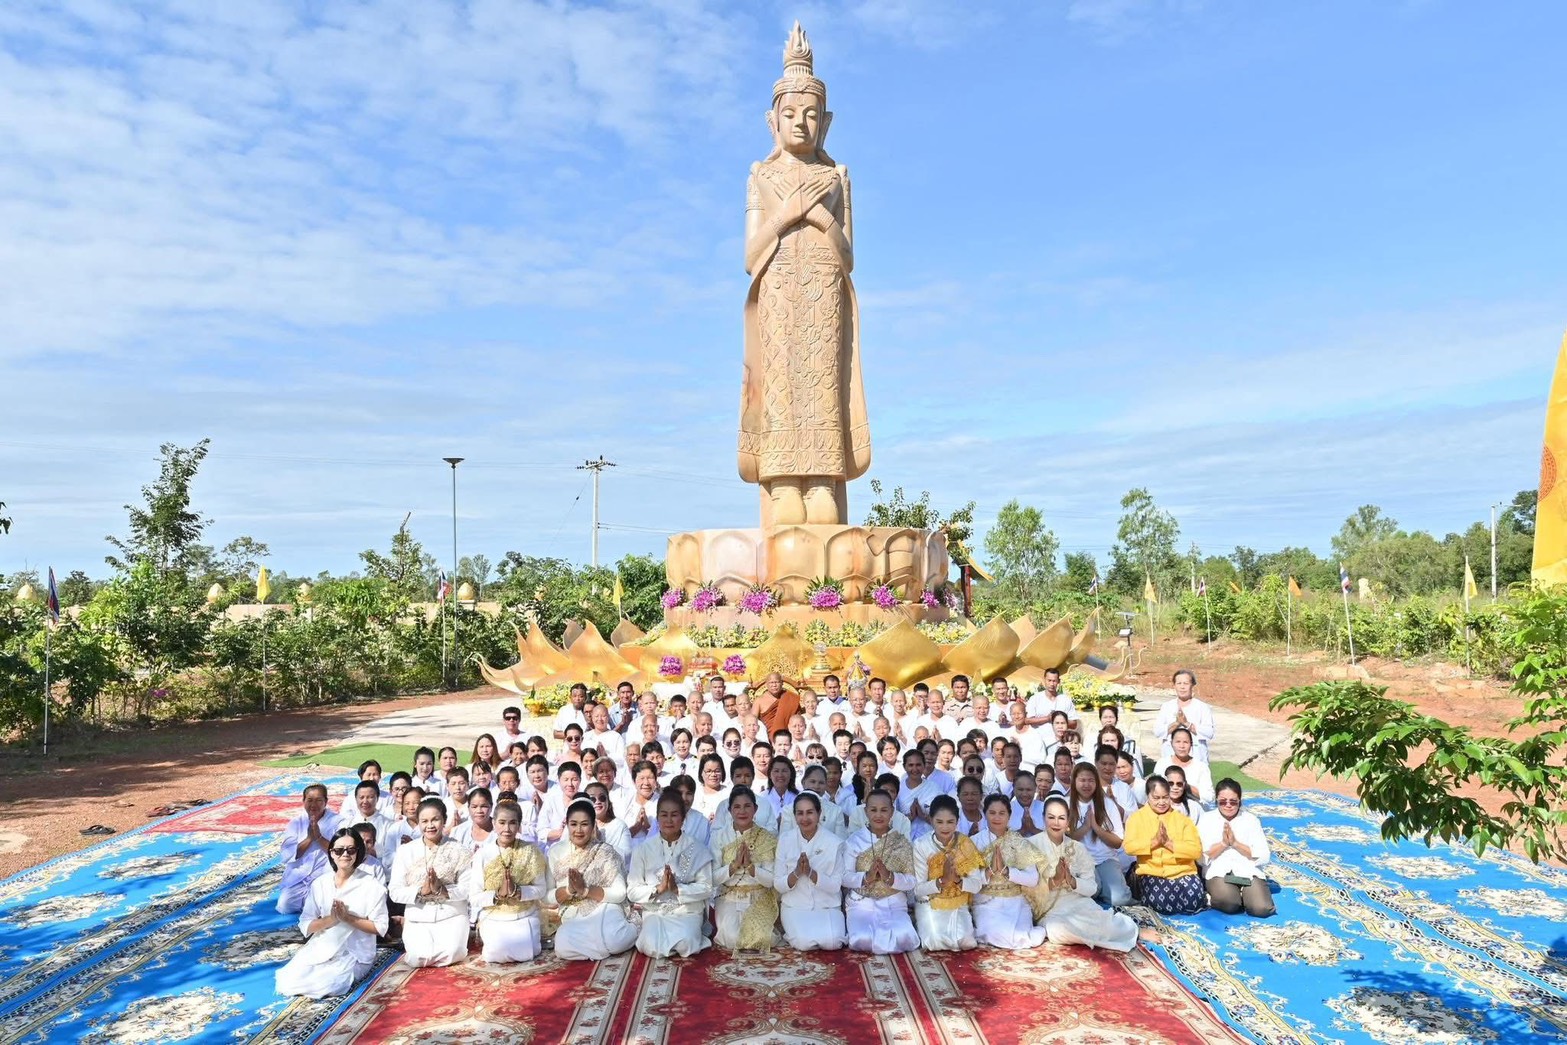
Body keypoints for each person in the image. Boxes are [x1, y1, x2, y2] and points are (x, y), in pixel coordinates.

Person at [275, 827, 389, 997]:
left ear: (358, 853)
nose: (345, 855)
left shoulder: (372, 886)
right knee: (287, 982)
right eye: (339, 850)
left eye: (351, 850)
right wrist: (332, 919)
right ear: (331, 853)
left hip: (354, 953)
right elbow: (306, 923)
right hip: (322, 947)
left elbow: (380, 928)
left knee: (329, 986)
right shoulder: (320, 884)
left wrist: (348, 918)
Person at [1031, 796, 1144, 951]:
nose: (1056, 823)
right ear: (1043, 818)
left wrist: (1072, 881)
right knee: (1057, 930)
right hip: (1050, 910)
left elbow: (1091, 888)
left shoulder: (1078, 848)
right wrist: (1055, 881)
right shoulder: (1031, 846)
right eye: (1051, 817)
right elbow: (1026, 890)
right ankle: (1104, 933)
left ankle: (1132, 930)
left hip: (1079, 904)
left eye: (1061, 818)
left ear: (1068, 820)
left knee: (1100, 923)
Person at [548, 798, 639, 960]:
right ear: (567, 825)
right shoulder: (556, 852)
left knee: (614, 941)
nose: (579, 830)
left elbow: (619, 893)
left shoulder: (605, 852)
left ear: (593, 826)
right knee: (561, 947)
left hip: (605, 908)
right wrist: (569, 890)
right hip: (573, 912)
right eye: (573, 824)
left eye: (584, 824)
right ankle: (599, 947)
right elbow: (547, 897)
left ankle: (636, 926)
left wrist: (585, 891)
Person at [462, 800, 551, 963]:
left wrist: (519, 891)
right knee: (495, 955)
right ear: (494, 823)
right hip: (494, 915)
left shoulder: (531, 851)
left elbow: (541, 889)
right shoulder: (483, 854)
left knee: (526, 953)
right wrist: (497, 895)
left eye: (512, 823)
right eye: (502, 823)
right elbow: (474, 897)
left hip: (525, 915)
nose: (507, 829)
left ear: (519, 826)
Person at [388, 796, 473, 967]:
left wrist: (444, 891)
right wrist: (421, 892)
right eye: (424, 821)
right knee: (417, 958)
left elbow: (468, 888)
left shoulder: (459, 850)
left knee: (453, 953)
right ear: (418, 823)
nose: (430, 825)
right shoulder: (406, 851)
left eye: (435, 819)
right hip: (419, 914)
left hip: (451, 913)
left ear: (444, 820)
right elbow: (395, 891)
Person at [627, 792, 715, 957]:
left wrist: (677, 889)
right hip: (656, 910)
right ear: (657, 818)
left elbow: (706, 887)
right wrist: (658, 889)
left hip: (687, 910)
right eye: (664, 815)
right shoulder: (643, 850)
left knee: (686, 943)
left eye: (674, 815)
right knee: (650, 944)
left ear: (683, 818)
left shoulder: (697, 848)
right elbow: (632, 890)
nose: (669, 820)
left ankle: (694, 934)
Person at [842, 790, 919, 954]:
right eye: (873, 810)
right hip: (861, 902)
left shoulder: (901, 842)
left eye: (884, 810)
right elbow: (844, 877)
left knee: (905, 938)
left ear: (892, 812)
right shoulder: (854, 841)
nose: (878, 815)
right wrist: (866, 877)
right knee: (861, 940)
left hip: (893, 902)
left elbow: (912, 880)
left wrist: (889, 877)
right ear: (866, 811)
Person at [971, 794, 1047, 949]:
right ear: (985, 814)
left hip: (1016, 902)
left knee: (1020, 936)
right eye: (992, 813)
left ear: (1009, 815)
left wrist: (1007, 872)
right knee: (995, 934)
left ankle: (1033, 932)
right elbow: (969, 880)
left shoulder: (1018, 841)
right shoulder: (974, 842)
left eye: (1002, 813)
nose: (997, 817)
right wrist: (989, 872)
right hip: (986, 902)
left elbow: (1033, 879)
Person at [1122, 775, 1206, 914]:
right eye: (1156, 798)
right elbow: (1129, 847)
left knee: (1194, 901)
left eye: (1165, 797)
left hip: (1183, 872)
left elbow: (1196, 851)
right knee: (1161, 904)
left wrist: (1169, 844)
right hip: (1153, 873)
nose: (1161, 802)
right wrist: (1154, 842)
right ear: (1147, 796)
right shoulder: (1137, 818)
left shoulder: (1182, 819)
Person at [774, 793, 847, 950]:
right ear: (794, 816)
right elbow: (778, 884)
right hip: (795, 906)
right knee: (804, 943)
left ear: (819, 814)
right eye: (800, 813)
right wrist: (796, 873)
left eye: (810, 812)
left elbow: (835, 886)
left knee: (833, 942)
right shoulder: (785, 840)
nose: (805, 818)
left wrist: (811, 873)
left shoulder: (834, 843)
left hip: (827, 905)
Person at [711, 786, 780, 951]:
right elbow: (712, 878)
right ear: (729, 810)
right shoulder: (719, 838)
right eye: (737, 806)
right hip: (729, 896)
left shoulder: (766, 838)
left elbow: (771, 880)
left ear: (755, 809)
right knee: (732, 939)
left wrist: (751, 868)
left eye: (747, 806)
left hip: (759, 897)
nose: (742, 811)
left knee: (763, 939)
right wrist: (733, 866)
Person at [912, 795, 984, 950]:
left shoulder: (965, 844)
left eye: (950, 822)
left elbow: (977, 885)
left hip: (958, 902)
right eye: (939, 822)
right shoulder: (921, 845)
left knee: (967, 943)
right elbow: (918, 889)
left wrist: (958, 881)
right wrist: (942, 881)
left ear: (957, 822)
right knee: (934, 942)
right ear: (931, 821)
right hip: (930, 903)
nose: (945, 827)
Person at [1198, 779, 1275, 917]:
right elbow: (1201, 858)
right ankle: (1221, 896)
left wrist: (1235, 844)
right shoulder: (1206, 820)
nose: (1228, 805)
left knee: (1262, 909)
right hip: (1219, 871)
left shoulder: (1251, 820)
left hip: (1247, 870)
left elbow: (1264, 856)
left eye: (1233, 801)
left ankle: (1245, 895)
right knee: (1230, 904)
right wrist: (1223, 844)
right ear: (1216, 800)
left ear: (1239, 800)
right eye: (1223, 801)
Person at [1067, 764, 1132, 907]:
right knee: (1093, 890)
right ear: (1074, 781)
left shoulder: (1107, 804)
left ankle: (1104, 888)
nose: (1086, 784)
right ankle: (1099, 889)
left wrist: (1096, 828)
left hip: (1105, 859)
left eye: (1091, 780)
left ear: (1096, 782)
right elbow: (1063, 840)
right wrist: (1085, 828)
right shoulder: (1067, 804)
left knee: (1120, 900)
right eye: (1082, 780)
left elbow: (1117, 842)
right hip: (1079, 861)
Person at [278, 784, 344, 914]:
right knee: (284, 906)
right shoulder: (296, 822)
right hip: (300, 875)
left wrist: (319, 837)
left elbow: (341, 853)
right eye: (310, 800)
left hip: (324, 874)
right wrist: (309, 838)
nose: (314, 805)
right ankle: (310, 904)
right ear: (303, 801)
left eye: (319, 800)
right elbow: (288, 854)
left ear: (326, 802)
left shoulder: (338, 822)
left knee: (327, 909)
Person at [1153, 670, 1216, 761]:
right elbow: (1157, 732)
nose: (1182, 687)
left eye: (1186, 683)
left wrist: (1186, 723)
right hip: (1170, 755)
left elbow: (1209, 733)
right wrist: (1177, 723)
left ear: (1192, 685)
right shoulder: (1167, 706)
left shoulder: (1202, 707)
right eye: (1179, 683)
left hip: (1196, 755)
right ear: (1174, 685)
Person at [1157, 727, 1214, 809]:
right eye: (1178, 742)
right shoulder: (1162, 763)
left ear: (1191, 744)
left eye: (1185, 742)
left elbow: (1210, 797)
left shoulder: (1201, 767)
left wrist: (1186, 786)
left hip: (1194, 811)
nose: (1182, 746)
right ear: (1171, 743)